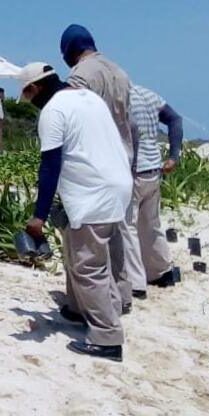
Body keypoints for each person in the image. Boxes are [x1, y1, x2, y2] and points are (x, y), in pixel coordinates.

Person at [21, 63, 132, 361]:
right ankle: (83, 312)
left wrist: (38, 217)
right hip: (118, 186)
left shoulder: (53, 111)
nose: (30, 103)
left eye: (28, 96)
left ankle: (107, 337)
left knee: (87, 266)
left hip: (92, 195)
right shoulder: (89, 98)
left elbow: (50, 166)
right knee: (96, 260)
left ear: (35, 88)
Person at [60, 24, 137, 313]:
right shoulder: (120, 72)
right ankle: (122, 296)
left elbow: (72, 115)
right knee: (115, 236)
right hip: (122, 163)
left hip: (93, 165)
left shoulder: (82, 74)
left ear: (70, 49)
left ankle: (85, 307)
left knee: (84, 246)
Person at [127, 84, 185, 295]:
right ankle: (161, 272)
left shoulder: (116, 96)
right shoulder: (147, 95)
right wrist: (174, 156)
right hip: (154, 168)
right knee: (151, 224)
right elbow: (175, 119)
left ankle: (135, 283)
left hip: (132, 170)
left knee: (128, 227)